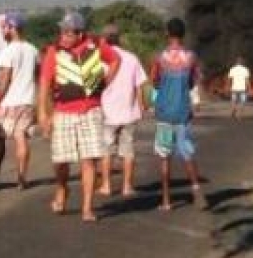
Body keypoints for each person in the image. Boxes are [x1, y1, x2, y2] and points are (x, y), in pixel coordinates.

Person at [38, 11, 118, 222]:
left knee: (89, 160)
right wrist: (42, 112)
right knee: (60, 161)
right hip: (63, 111)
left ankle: (87, 208)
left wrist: (105, 82)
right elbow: (44, 83)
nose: (63, 36)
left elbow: (115, 60)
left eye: (68, 32)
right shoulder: (54, 51)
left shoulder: (96, 45)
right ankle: (62, 188)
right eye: (62, 31)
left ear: (80, 34)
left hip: (91, 111)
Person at [150, 17, 207, 211]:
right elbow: (194, 81)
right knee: (186, 152)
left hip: (164, 113)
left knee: (164, 156)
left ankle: (166, 201)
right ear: (183, 34)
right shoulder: (191, 57)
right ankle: (196, 189)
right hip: (183, 112)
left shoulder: (159, 57)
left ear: (167, 33)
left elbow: (154, 81)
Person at [0, 12, 39, 190]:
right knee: (21, 137)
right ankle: (22, 178)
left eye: (4, 27)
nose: (2, 31)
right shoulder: (33, 50)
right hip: (28, 99)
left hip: (10, 100)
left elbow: (5, 78)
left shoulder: (8, 51)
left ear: (12, 28)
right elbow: (37, 75)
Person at [99, 23, 147, 198]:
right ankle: (127, 186)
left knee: (107, 150)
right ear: (119, 38)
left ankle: (106, 185)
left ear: (104, 40)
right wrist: (141, 106)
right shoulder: (132, 58)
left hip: (107, 112)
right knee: (127, 150)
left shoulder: (100, 59)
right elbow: (139, 86)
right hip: (128, 111)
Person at [227, 55, 251, 120]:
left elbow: (229, 79)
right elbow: (247, 80)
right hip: (243, 88)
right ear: (242, 62)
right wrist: (249, 88)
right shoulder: (245, 70)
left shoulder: (232, 69)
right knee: (242, 102)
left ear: (236, 62)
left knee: (234, 101)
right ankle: (239, 115)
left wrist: (228, 87)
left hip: (234, 88)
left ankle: (234, 109)